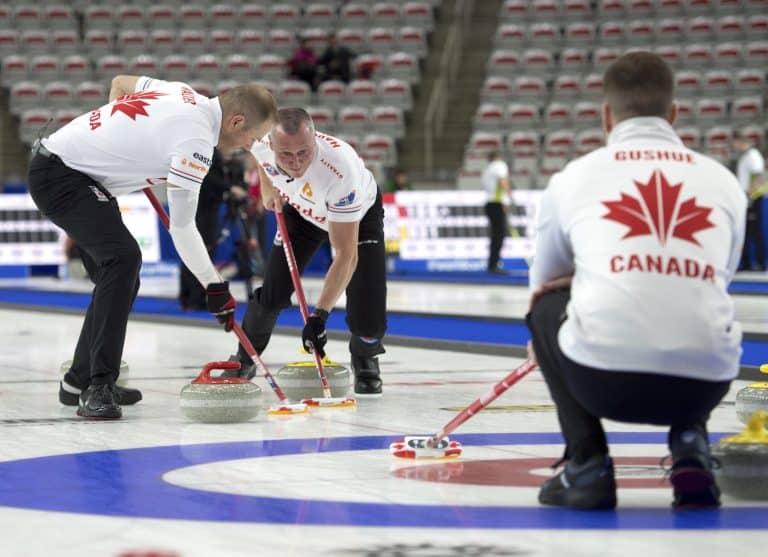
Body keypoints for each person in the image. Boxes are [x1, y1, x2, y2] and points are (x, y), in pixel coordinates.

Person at [526, 52, 745, 510]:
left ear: (606, 114)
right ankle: (691, 445)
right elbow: (720, 272)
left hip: (603, 380)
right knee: (697, 298)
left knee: (546, 309)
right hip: (702, 383)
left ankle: (588, 465)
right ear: (674, 113)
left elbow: (544, 283)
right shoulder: (723, 181)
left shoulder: (574, 177)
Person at [28, 75, 276, 419]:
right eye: (252, 137)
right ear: (236, 122)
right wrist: (214, 285)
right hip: (62, 176)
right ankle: (98, 386)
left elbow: (120, 82)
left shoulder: (182, 91)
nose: (250, 145)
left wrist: (114, 133)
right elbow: (183, 227)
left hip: (74, 171)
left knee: (119, 275)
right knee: (123, 260)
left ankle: (77, 382)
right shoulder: (196, 142)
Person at [222, 107, 387, 396]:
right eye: (286, 155)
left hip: (357, 217)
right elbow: (259, 157)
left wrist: (318, 317)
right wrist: (267, 188)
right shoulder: (260, 143)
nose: (296, 163)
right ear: (271, 144)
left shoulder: (340, 170)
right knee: (272, 291)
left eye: (304, 152)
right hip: (303, 213)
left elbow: (346, 256)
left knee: (368, 303)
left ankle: (365, 357)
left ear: (314, 141)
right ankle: (245, 358)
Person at [178, 148, 230, 311]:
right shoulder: (208, 151)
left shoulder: (199, 149)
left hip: (196, 207)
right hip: (203, 211)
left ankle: (189, 297)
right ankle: (195, 298)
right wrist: (229, 187)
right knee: (201, 252)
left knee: (191, 251)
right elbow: (208, 179)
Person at [733, 131, 766, 271]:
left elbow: (759, 177)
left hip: (754, 198)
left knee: (756, 232)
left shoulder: (753, 156)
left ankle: (760, 262)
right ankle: (746, 262)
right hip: (746, 197)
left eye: (735, 143)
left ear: (741, 141)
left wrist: (752, 196)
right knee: (746, 231)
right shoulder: (745, 157)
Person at [482, 151, 511, 274]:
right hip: (497, 203)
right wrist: (509, 197)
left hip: (489, 203)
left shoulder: (487, 169)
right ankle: (494, 265)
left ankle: (492, 264)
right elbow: (503, 181)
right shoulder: (499, 165)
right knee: (499, 235)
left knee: (495, 235)